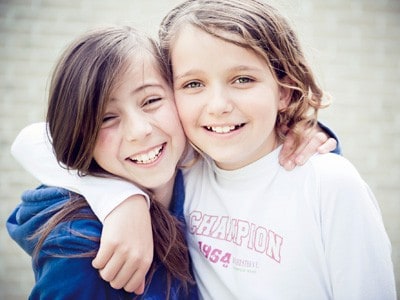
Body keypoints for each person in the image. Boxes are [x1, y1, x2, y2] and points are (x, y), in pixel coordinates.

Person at [156, 0, 396, 298]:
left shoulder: (330, 185)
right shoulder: (181, 174)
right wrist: (121, 203)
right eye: (193, 84)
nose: (218, 106)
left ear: (283, 91)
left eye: (243, 79)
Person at [7, 25, 198, 299]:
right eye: (107, 118)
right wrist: (123, 199)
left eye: (151, 100)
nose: (138, 130)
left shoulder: (198, 168)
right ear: (80, 133)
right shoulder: (82, 251)